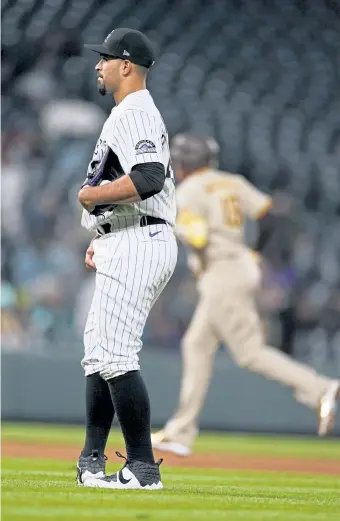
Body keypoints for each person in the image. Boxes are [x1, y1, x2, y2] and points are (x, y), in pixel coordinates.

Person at [151, 134, 339, 457]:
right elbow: (272, 214)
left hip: (222, 274)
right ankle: (181, 432)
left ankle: (320, 388)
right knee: (196, 344)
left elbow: (197, 238)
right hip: (238, 267)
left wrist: (176, 228)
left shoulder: (188, 191)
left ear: (181, 164)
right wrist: (252, 251)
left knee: (250, 353)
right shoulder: (231, 181)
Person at [76, 28, 177, 489]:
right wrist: (103, 231)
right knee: (99, 354)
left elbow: (150, 176)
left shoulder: (135, 110)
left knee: (116, 355)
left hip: (140, 238)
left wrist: (93, 195)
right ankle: (92, 460)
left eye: (105, 58)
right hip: (125, 237)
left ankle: (141, 466)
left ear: (126, 65)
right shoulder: (126, 112)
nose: (98, 65)